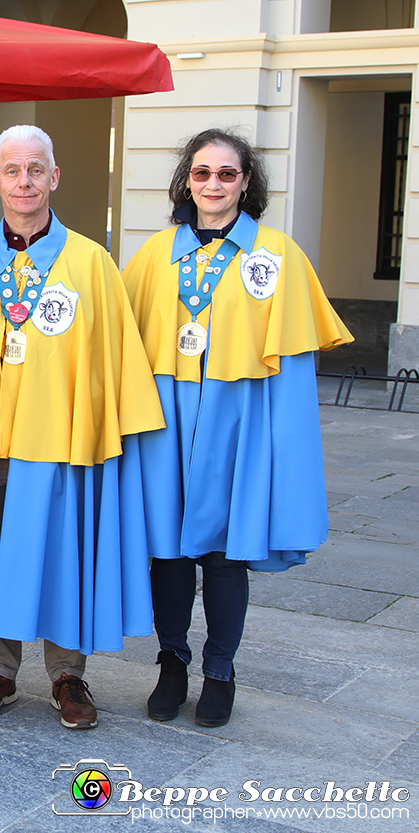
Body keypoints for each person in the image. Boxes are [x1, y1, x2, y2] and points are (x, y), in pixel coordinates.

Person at [0, 125, 164, 730]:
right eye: (12, 171)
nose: (24, 181)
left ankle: (68, 674)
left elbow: (115, 354)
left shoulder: (91, 263)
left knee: (59, 552)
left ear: (54, 178)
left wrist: (107, 430)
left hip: (59, 439)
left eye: (35, 169)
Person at [122, 128, 352, 727]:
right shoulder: (152, 255)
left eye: (227, 174)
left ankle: (219, 669)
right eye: (202, 173)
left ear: (246, 182)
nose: (214, 185)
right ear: (187, 181)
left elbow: (295, 368)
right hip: (166, 425)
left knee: (223, 556)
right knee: (168, 553)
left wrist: (281, 443)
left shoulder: (277, 255)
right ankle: (172, 663)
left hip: (238, 426)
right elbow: (118, 344)